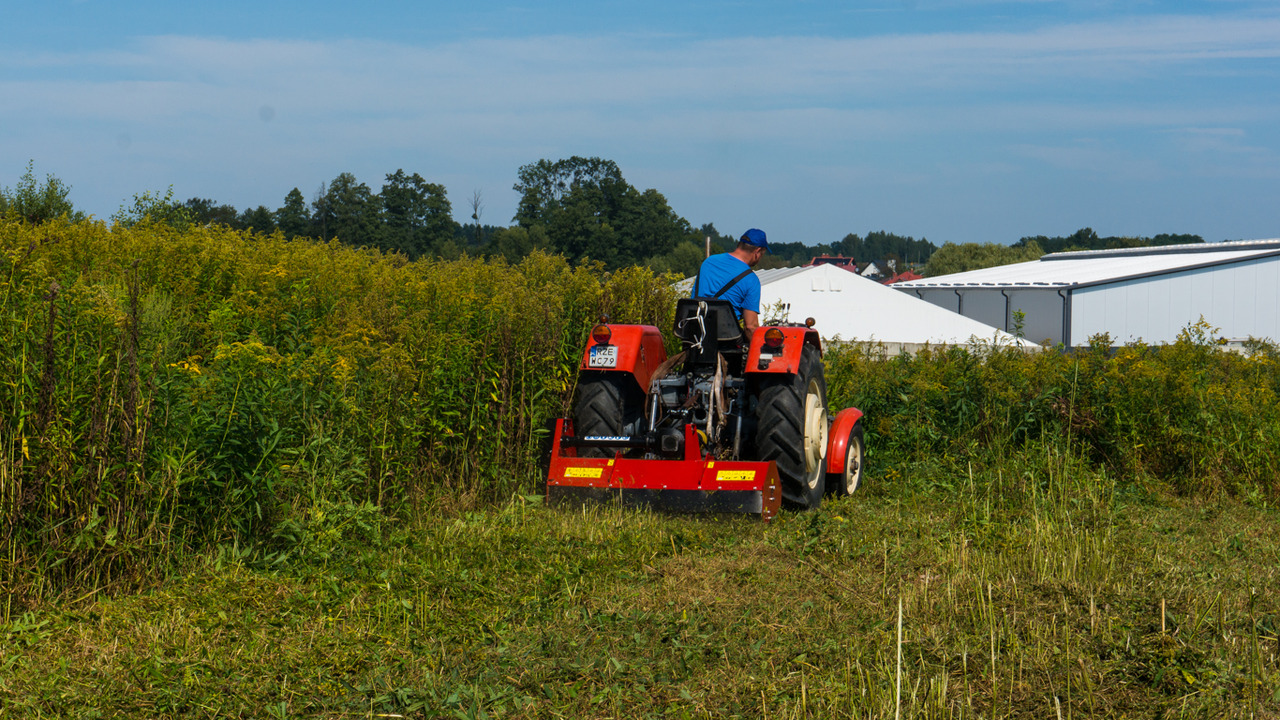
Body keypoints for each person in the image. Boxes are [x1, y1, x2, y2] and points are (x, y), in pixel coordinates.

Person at [691, 228, 768, 335]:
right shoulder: (751, 279)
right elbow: (750, 327)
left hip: (694, 333)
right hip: (727, 340)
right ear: (757, 252)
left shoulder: (709, 261)